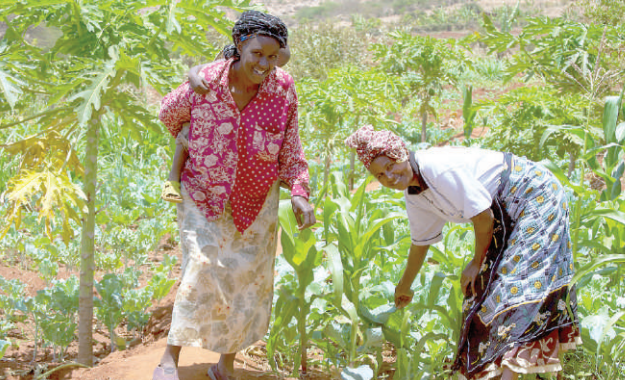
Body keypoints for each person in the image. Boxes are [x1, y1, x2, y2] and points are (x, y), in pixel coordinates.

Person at [345, 125, 581, 380]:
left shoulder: (436, 168)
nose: (389, 176)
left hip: (535, 196)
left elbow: (483, 218)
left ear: (401, 153)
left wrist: (475, 262)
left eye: (390, 166)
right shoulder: (414, 193)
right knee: (480, 294)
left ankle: (511, 376)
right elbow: (420, 243)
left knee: (516, 291)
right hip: (503, 214)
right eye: (380, 175)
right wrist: (404, 286)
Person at [154, 11, 315, 380]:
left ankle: (224, 363)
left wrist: (301, 193)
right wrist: (188, 137)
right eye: (258, 53)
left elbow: (291, 149)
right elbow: (167, 113)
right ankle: (169, 358)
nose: (264, 64)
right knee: (200, 266)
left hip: (257, 198)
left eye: (273, 57)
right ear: (240, 44)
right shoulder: (207, 81)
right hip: (203, 192)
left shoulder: (283, 88)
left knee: (247, 280)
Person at [161, 45, 291, 203]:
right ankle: (173, 180)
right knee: (188, 133)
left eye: (275, 64)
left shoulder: (269, 81)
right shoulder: (226, 67)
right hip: (202, 115)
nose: (267, 67)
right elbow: (197, 70)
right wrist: (194, 78)